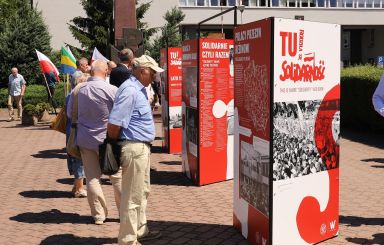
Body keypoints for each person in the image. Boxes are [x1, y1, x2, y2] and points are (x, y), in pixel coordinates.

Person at [107, 55, 164, 245]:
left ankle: (139, 230)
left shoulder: (137, 89)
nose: (155, 76)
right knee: (132, 196)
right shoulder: (130, 91)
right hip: (133, 147)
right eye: (153, 72)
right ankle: (128, 239)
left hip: (140, 147)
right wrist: (114, 147)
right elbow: (114, 124)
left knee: (142, 191)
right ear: (142, 71)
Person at [67, 60, 122, 225]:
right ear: (106, 72)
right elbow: (120, 115)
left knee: (92, 177)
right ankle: (124, 213)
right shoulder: (113, 90)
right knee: (117, 177)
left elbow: (70, 114)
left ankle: (99, 215)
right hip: (108, 140)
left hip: (85, 139)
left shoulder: (78, 90)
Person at [65, 73, 90, 198]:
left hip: (73, 128)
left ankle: (76, 185)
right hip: (77, 129)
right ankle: (79, 188)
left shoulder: (71, 94)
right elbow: (71, 114)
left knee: (76, 156)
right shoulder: (77, 95)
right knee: (78, 158)